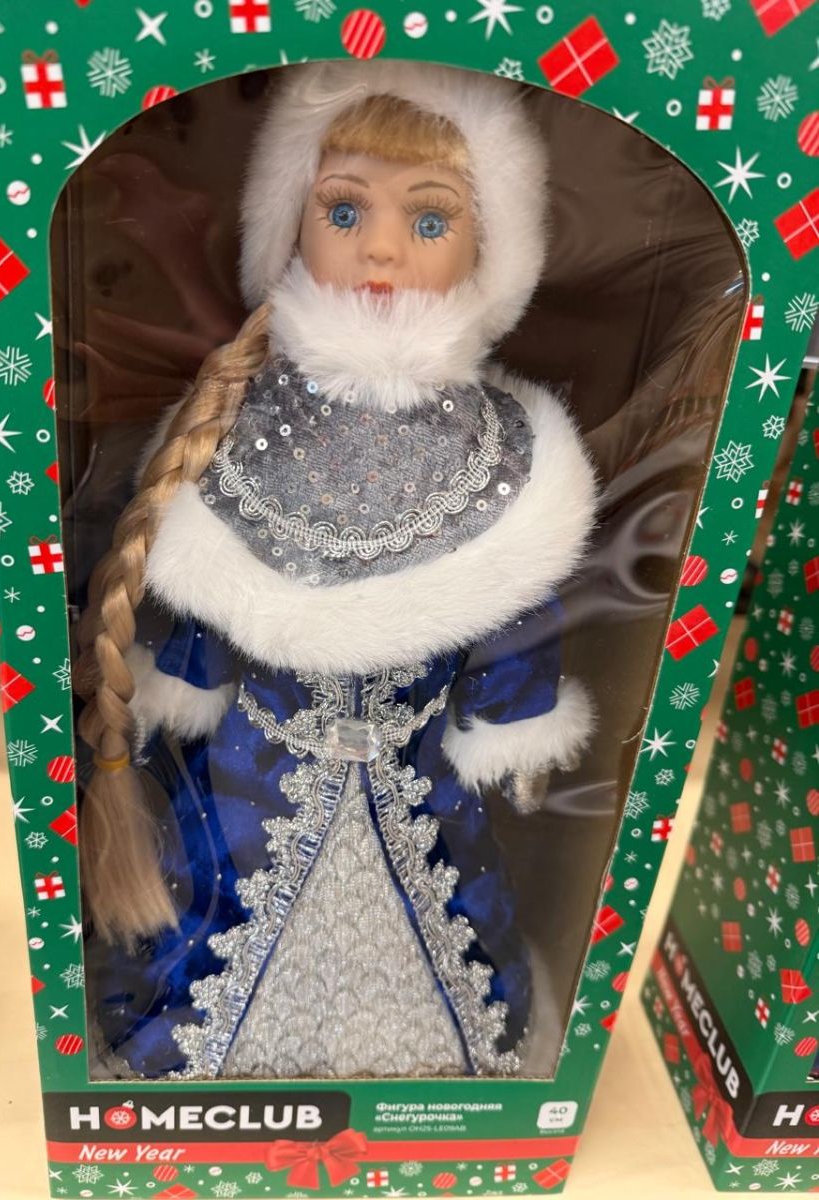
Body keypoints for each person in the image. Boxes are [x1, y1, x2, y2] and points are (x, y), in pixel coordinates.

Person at [76, 59, 597, 1082]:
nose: (383, 248)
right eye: (344, 209)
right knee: (219, 900)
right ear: (291, 228)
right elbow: (203, 608)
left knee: (446, 898)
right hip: (252, 775)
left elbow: (518, 605)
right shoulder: (232, 426)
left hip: (421, 775)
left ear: (491, 249)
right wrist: (179, 684)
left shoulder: (505, 451)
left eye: (431, 219)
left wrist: (513, 719)